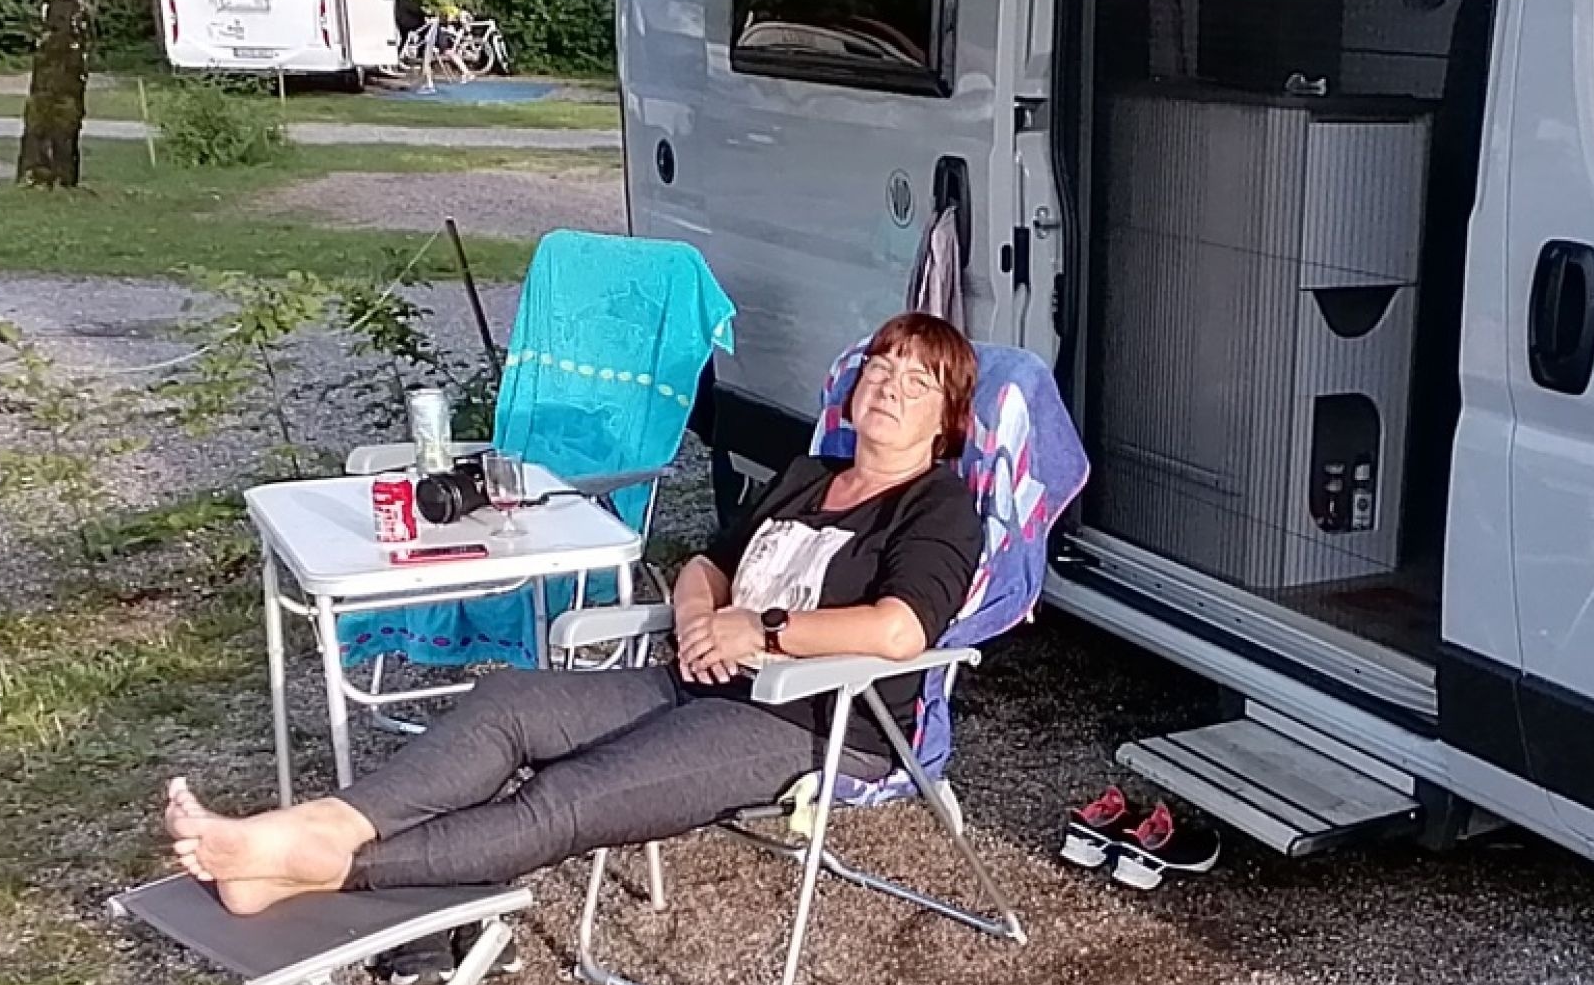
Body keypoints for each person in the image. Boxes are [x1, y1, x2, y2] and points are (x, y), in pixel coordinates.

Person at [167, 311, 985, 915]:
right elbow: (709, 562)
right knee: (508, 703)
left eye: (919, 382)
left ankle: (320, 864)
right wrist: (703, 618)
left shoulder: (937, 508)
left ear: (946, 421)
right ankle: (325, 827)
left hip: (811, 719)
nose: (890, 387)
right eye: (882, 366)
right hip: (701, 677)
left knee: (569, 793)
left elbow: (899, 630)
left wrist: (760, 630)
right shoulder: (812, 472)